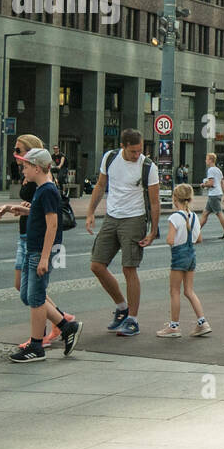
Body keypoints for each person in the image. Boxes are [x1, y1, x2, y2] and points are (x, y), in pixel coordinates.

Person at [0, 132, 78, 352]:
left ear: (37, 167)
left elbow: (52, 225)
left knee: (35, 296)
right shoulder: (41, 188)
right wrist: (20, 209)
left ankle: (37, 344)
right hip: (31, 243)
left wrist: (44, 257)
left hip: (40, 248)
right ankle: (65, 325)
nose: (21, 168)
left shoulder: (47, 189)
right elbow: (39, 212)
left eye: (25, 164)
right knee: (27, 293)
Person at [86, 128, 160, 338]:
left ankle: (133, 320)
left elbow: (155, 202)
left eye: (139, 151)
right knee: (97, 265)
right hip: (112, 217)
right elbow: (100, 185)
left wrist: (153, 230)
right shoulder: (110, 158)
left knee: (129, 268)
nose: (137, 155)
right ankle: (121, 307)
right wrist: (91, 212)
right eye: (133, 151)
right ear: (123, 147)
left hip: (134, 219)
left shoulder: (148, 166)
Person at [157, 184, 211, 338]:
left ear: (175, 199)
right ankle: (202, 322)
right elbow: (199, 239)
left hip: (179, 256)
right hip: (191, 255)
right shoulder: (194, 216)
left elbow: (170, 239)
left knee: (174, 291)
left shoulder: (175, 217)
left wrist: (172, 240)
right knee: (189, 291)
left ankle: (174, 326)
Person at [199, 151, 224, 239]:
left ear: (211, 160)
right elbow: (223, 184)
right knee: (205, 213)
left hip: (213, 195)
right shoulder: (218, 170)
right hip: (217, 194)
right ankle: (196, 232)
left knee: (219, 213)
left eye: (207, 159)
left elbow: (211, 183)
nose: (205, 161)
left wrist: (203, 185)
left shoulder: (211, 170)